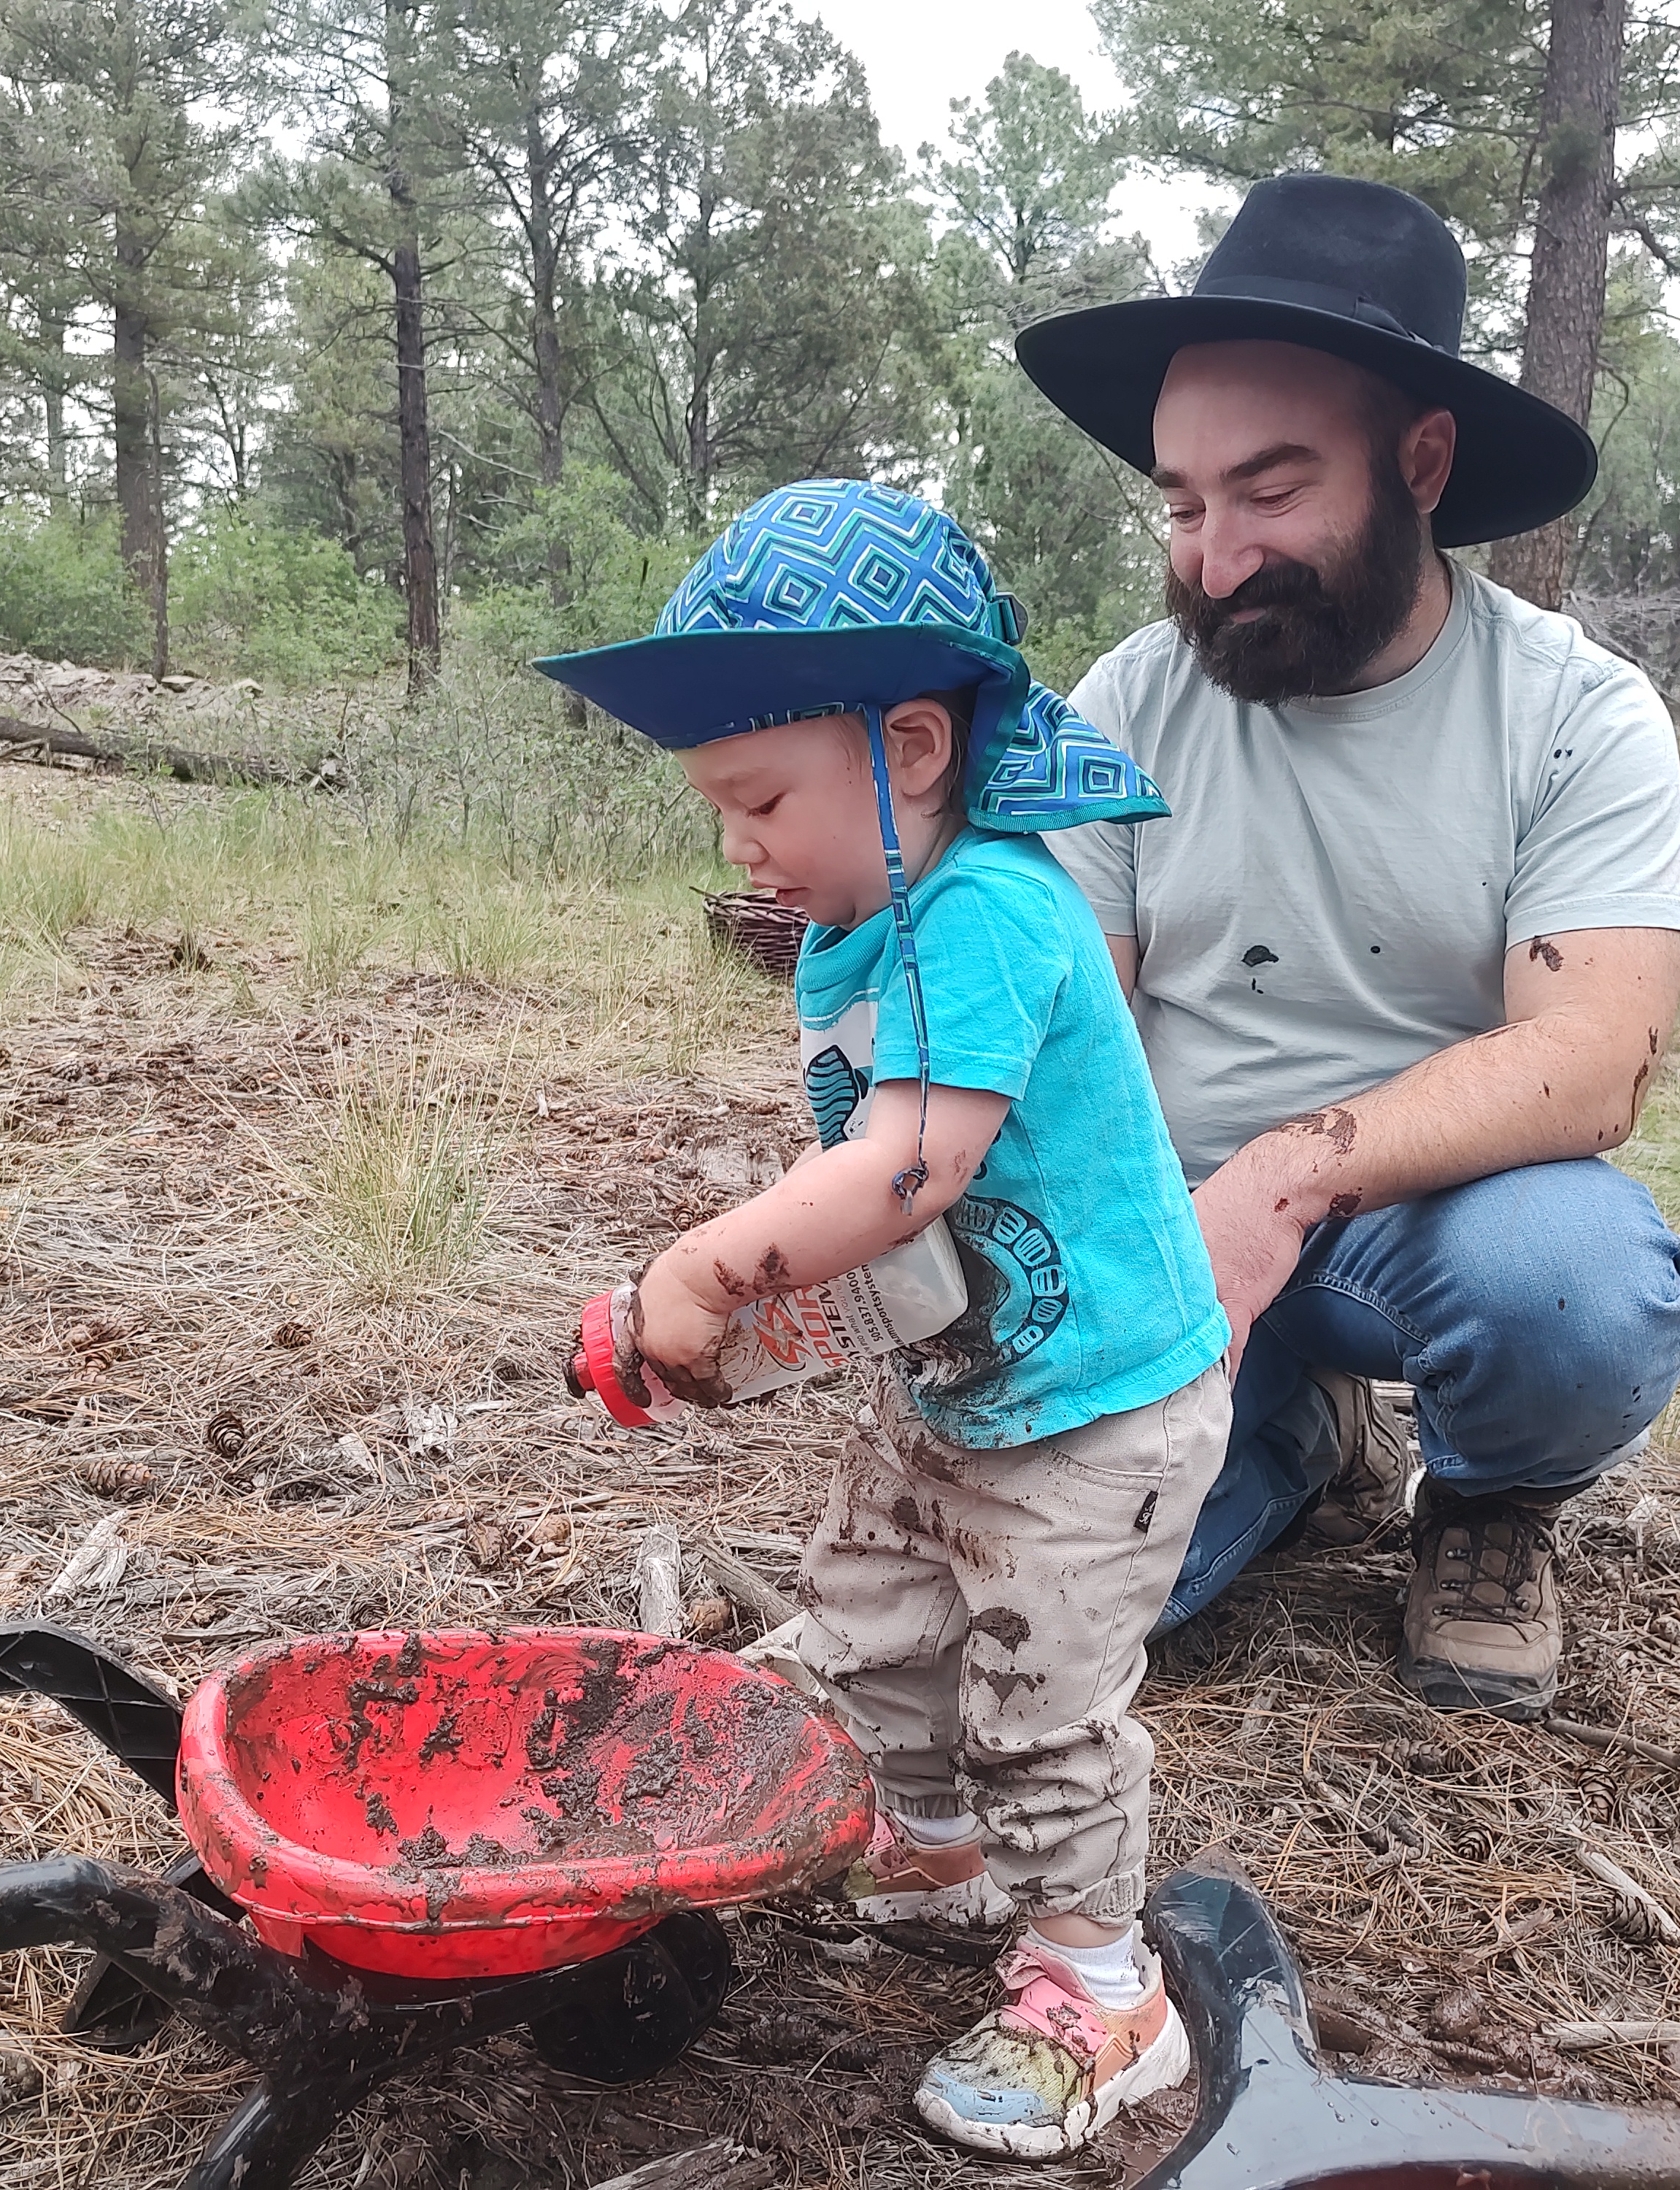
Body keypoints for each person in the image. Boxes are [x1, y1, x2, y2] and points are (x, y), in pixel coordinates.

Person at [537, 480, 1230, 2159]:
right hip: (956, 1382)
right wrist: (761, 1318)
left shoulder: (990, 909)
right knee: (874, 1614)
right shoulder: (861, 934)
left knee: (1038, 1695)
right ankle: (930, 1843)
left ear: (908, 746)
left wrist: (707, 1265)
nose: (738, 843)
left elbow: (912, 1165)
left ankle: (1098, 1982)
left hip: (1097, 1411)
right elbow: (858, 1174)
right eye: (719, 806)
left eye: (761, 795)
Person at [1013, 174, 1680, 1719]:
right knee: (1052, 1608)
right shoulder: (1118, 706)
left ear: (1421, 461)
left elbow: (1592, 1056)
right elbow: (1065, 1027)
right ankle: (1285, 1431)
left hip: (1443, 1225)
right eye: (1183, 505)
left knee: (1571, 1289)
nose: (1214, 559)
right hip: (1170, 1231)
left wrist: (1284, 1176)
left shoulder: (1571, 714)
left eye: (1269, 491)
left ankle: (1482, 1494)